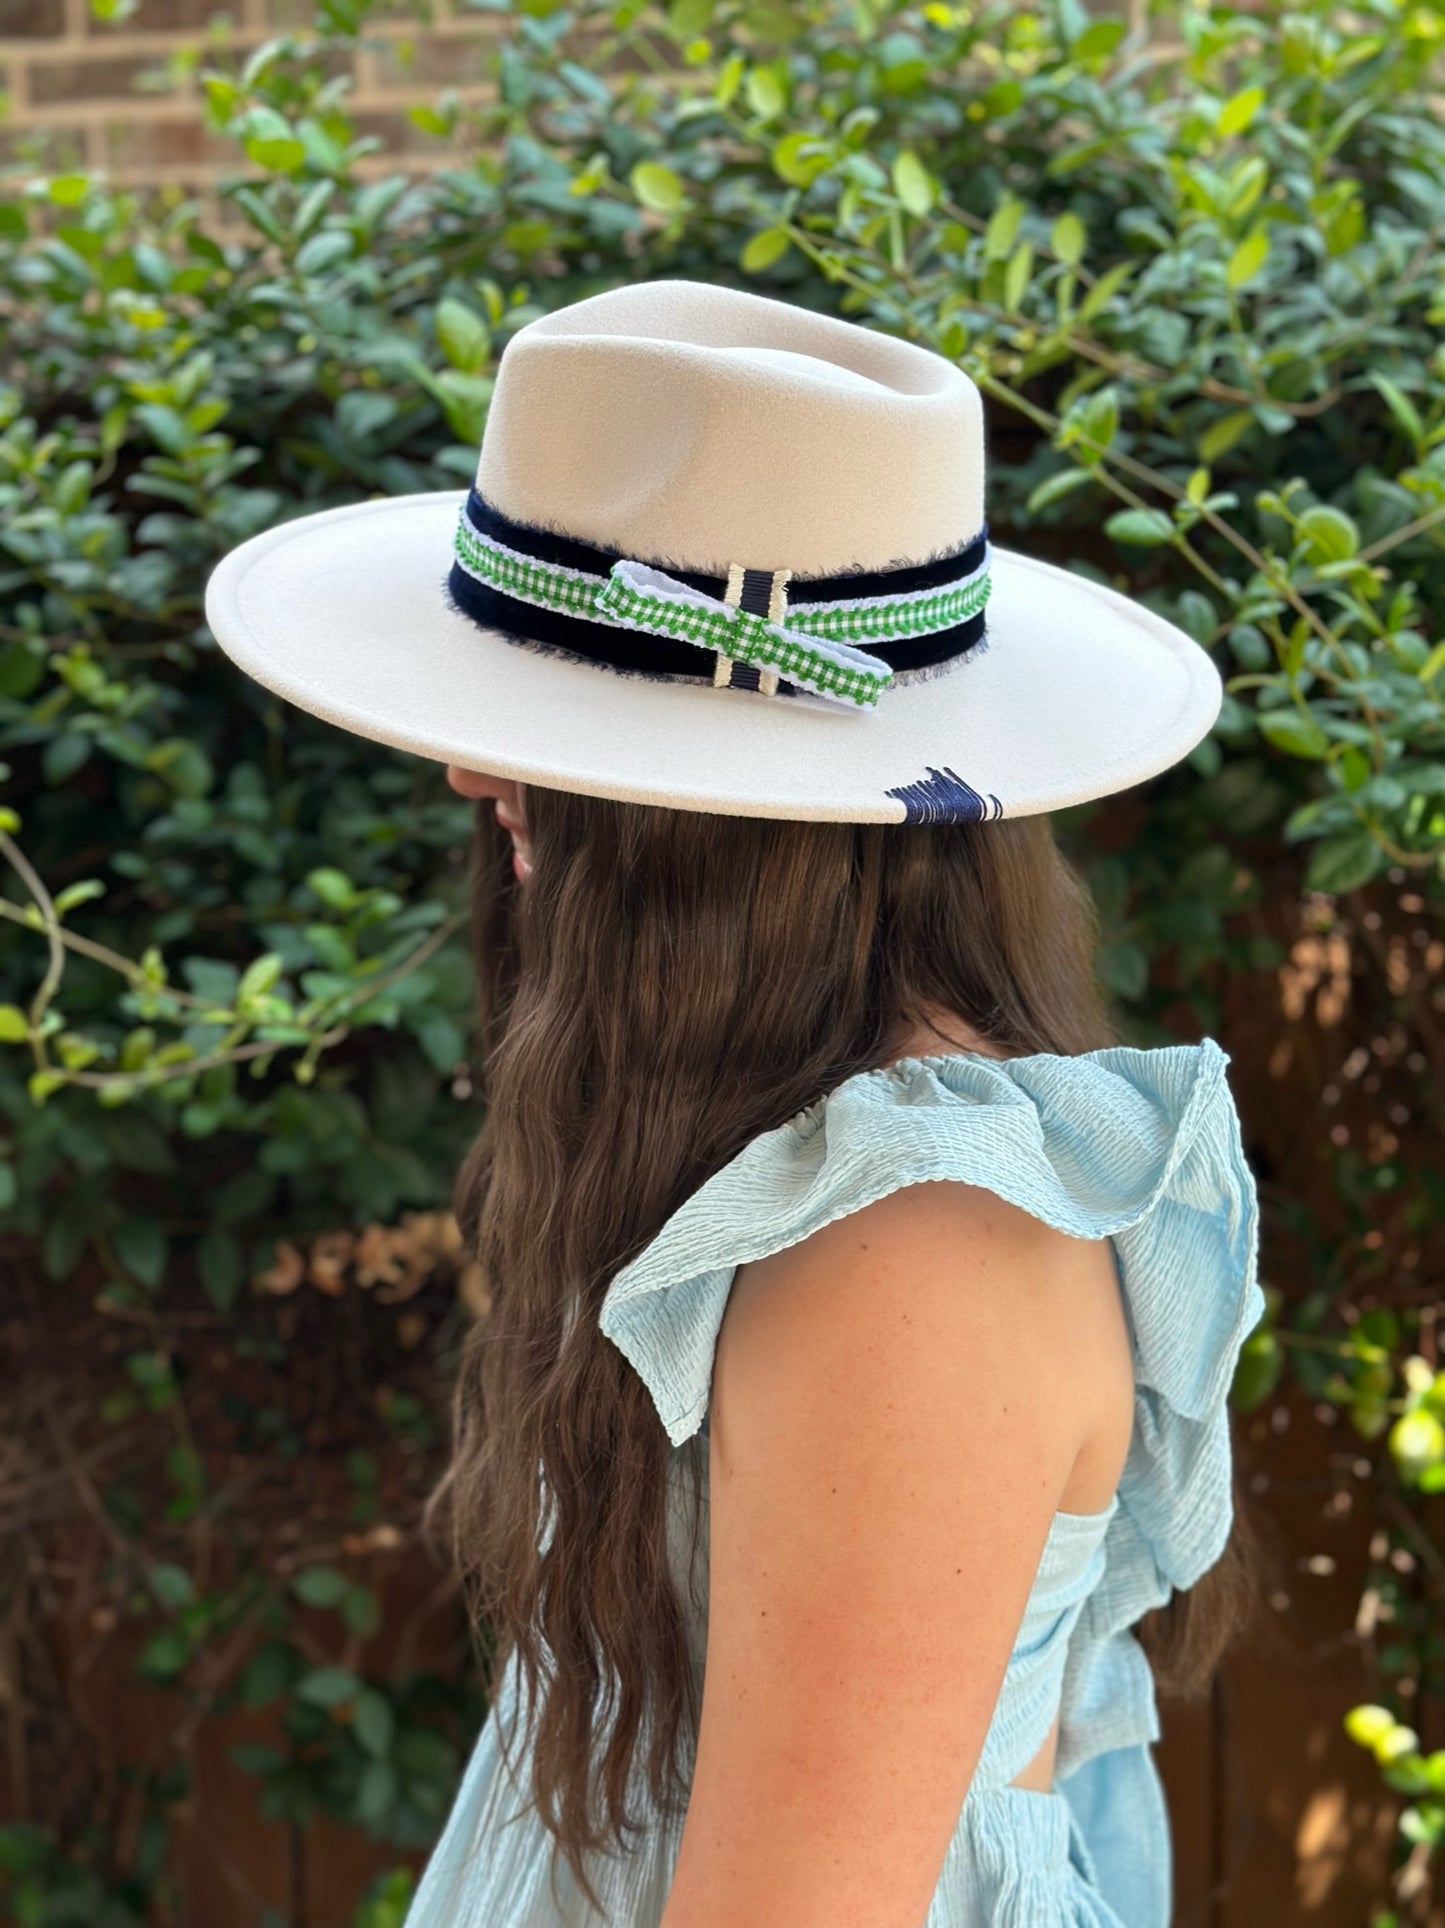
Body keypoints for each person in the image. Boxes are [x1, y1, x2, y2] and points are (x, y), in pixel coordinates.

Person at [206, 280, 1266, 1927]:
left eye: (519, 747)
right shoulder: (800, 1161)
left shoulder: (913, 1259)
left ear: (702, 830)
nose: (466, 783)